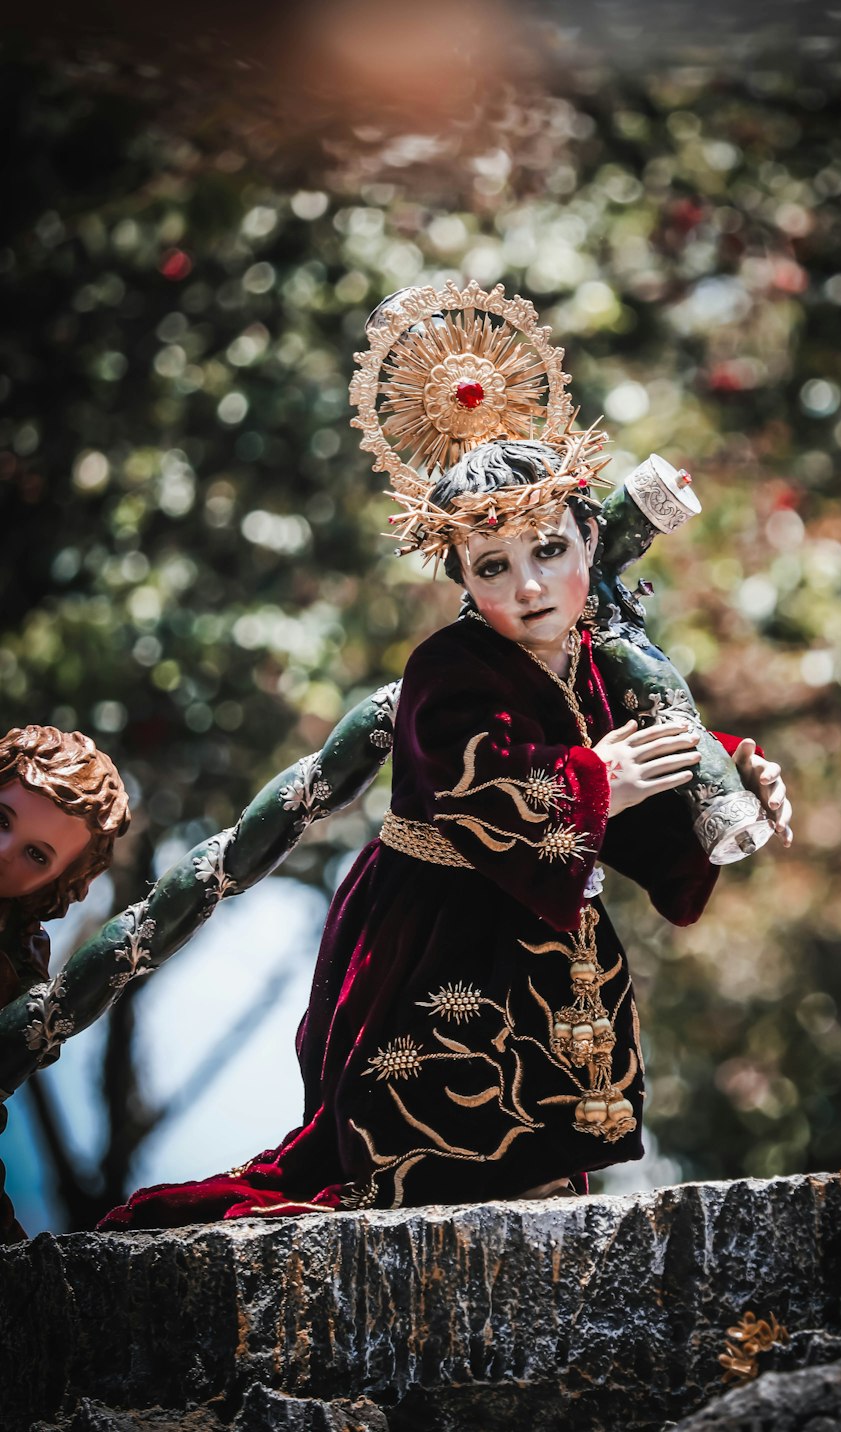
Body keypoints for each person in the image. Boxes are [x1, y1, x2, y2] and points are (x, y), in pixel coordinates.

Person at [98, 427, 786, 1227]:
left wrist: (732, 769)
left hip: (540, 912)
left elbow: (642, 754)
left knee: (544, 1104)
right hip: (432, 925)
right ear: (460, 573)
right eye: (494, 566)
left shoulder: (599, 657)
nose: (530, 586)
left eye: (549, 550)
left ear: (591, 537)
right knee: (444, 1100)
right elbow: (481, 782)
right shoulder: (445, 668)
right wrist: (600, 781)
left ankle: (542, 1177)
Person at [0, 726, 130, 1012]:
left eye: (36, 855)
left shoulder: (21, 956)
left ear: (57, 881)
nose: (4, 851)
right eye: (1, 820)